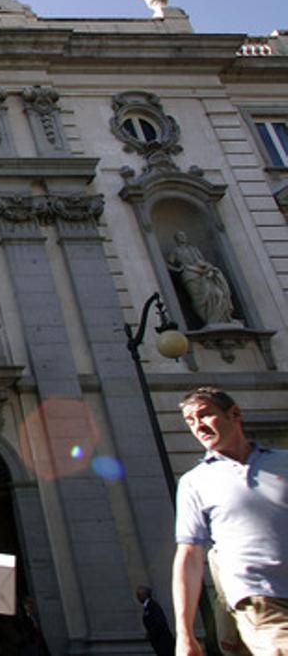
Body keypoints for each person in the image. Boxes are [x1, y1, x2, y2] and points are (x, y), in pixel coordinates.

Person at [172, 386, 288, 655]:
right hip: (259, 598)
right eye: (191, 421)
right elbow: (189, 555)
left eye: (204, 415)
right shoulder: (195, 482)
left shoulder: (283, 462)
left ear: (234, 414)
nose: (198, 426)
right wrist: (184, 633)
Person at [166, 232, 236, 326]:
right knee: (198, 299)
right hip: (189, 276)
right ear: (176, 239)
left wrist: (208, 268)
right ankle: (208, 321)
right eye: (180, 236)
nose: (183, 237)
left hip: (201, 273)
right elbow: (168, 264)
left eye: (184, 235)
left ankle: (220, 319)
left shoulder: (193, 249)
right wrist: (179, 269)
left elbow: (201, 261)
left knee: (218, 294)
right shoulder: (175, 251)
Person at [136, 586, 174, 656]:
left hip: (162, 642)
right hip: (160, 641)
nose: (138, 597)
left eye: (139, 595)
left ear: (145, 595)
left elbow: (160, 622)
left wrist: (151, 633)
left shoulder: (152, 606)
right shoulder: (148, 607)